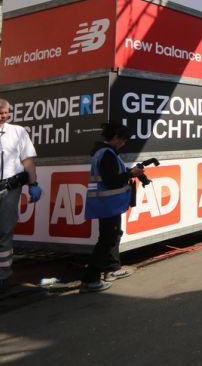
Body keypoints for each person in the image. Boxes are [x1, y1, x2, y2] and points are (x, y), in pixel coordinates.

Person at [0, 98, 40, 295]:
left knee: (4, 230)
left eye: (7, 112)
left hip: (8, 188)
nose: (5, 116)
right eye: (0, 113)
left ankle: (1, 276)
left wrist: (33, 184)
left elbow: (27, 161)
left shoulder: (17, 132)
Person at [81, 121, 144, 293]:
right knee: (106, 240)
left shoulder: (102, 152)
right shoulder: (107, 154)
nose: (124, 143)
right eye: (123, 140)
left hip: (107, 204)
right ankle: (91, 279)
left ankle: (110, 269)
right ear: (116, 137)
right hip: (108, 204)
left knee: (112, 236)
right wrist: (131, 173)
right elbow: (111, 181)